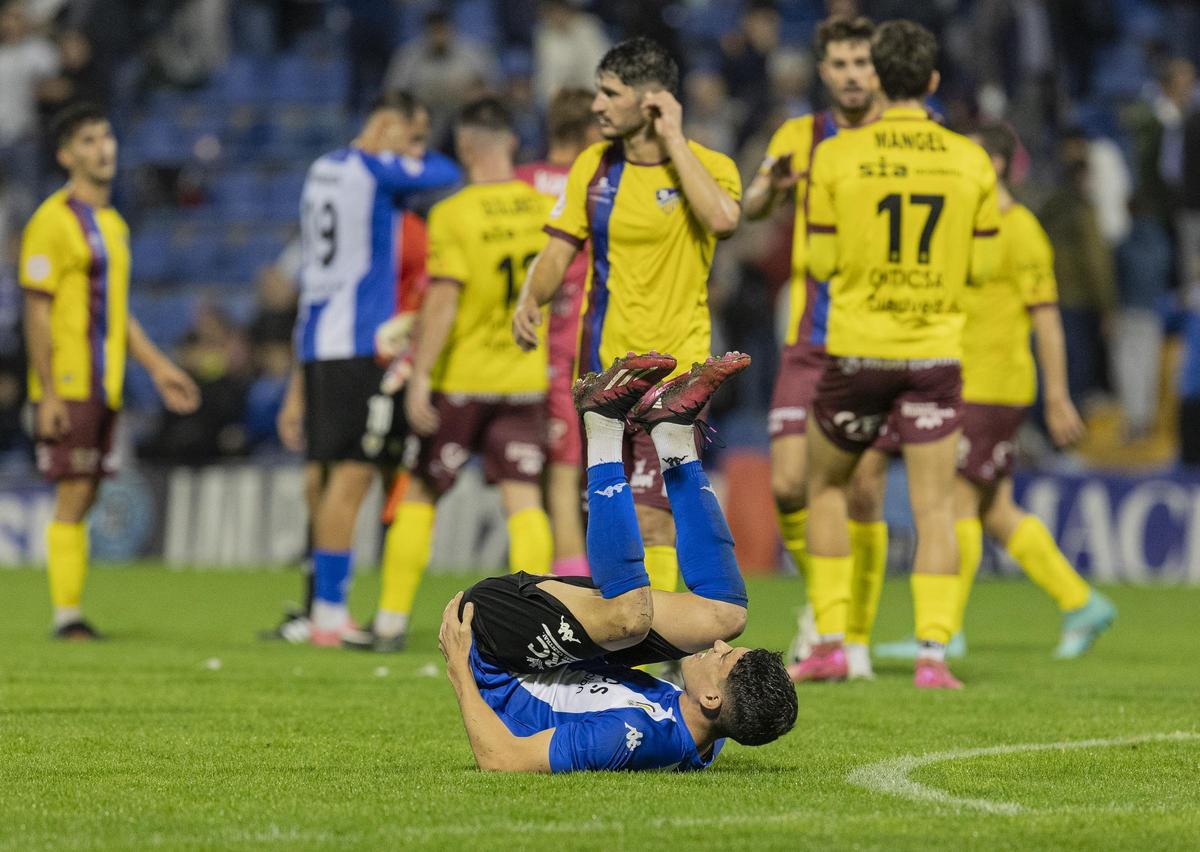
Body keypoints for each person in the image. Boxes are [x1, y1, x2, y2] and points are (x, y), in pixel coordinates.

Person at [438, 351, 796, 772]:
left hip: (495, 646)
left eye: (723, 659)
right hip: (571, 650)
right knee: (725, 616)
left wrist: (462, 670)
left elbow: (502, 761)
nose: (717, 649)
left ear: (713, 699)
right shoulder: (703, 735)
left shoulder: (629, 737)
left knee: (630, 615)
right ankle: (674, 437)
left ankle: (603, 422)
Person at [794, 20, 1000, 689]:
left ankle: (829, 640)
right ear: (934, 81)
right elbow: (982, 266)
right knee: (936, 507)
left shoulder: (836, 157)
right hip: (933, 353)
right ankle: (932, 656)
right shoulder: (970, 160)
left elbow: (819, 260)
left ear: (877, 77)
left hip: (857, 349)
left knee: (823, 486)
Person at [873, 124, 1117, 661]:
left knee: (956, 499)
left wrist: (1057, 394)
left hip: (992, 385)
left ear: (1000, 165)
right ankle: (1081, 601)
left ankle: (943, 631)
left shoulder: (1020, 228)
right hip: (966, 381)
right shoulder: (962, 227)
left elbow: (1047, 318)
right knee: (996, 508)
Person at [513, 37, 742, 597]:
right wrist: (529, 298)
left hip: (679, 375)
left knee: (655, 518)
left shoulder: (709, 167)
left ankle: (654, 645)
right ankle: (638, 637)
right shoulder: (593, 166)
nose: (597, 105)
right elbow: (558, 249)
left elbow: (723, 220)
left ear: (651, 101)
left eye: (611, 94)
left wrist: (673, 139)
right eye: (599, 91)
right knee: (614, 515)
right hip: (609, 370)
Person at [366, 97, 555, 651]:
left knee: (422, 491)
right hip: (524, 378)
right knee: (524, 499)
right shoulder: (542, 207)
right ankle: (533, 628)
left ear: (466, 148)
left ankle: (390, 623)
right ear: (512, 143)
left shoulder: (454, 213)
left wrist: (419, 374)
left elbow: (443, 303)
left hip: (462, 378)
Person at [276, 90, 460, 647]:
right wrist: (404, 154)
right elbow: (447, 171)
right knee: (354, 479)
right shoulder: (374, 172)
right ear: (382, 126)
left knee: (331, 478)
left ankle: (323, 607)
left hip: (318, 341)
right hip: (361, 341)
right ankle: (331, 614)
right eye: (411, 135)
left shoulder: (321, 170)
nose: (415, 149)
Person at [21, 103, 200, 638]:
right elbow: (36, 310)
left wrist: (159, 367)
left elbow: (116, 313)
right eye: (89, 141)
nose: (103, 149)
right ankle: (66, 616)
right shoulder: (51, 221)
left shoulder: (112, 224)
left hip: (107, 384)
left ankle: (70, 610)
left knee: (89, 490)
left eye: (107, 138)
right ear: (65, 155)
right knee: (74, 490)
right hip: (70, 382)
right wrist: (48, 392)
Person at [742, 15, 883, 681]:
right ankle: (822, 608)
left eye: (863, 62)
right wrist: (770, 187)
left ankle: (848, 636)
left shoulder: (899, 140)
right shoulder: (799, 136)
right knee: (792, 484)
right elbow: (754, 209)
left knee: (863, 490)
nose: (853, 74)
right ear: (823, 72)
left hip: (881, 338)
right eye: (842, 64)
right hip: (808, 340)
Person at [515, 87, 602, 579]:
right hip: (581, 338)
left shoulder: (520, 183)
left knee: (543, 475)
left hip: (523, 342)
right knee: (578, 471)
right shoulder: (595, 182)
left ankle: (557, 581)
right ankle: (575, 583)